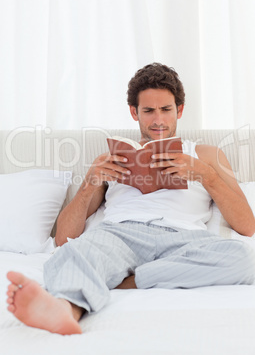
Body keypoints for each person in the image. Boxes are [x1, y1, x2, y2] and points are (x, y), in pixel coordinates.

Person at [6, 63, 255, 335]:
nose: (158, 120)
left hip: (184, 238)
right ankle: (64, 309)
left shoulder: (206, 154)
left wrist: (206, 175)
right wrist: (91, 182)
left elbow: (247, 225)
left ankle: (126, 281)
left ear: (179, 110)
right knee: (74, 252)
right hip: (119, 234)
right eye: (148, 111)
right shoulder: (113, 157)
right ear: (134, 112)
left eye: (166, 110)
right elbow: (63, 237)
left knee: (245, 258)